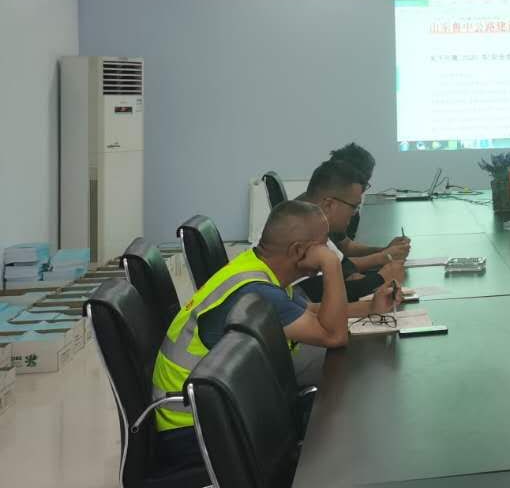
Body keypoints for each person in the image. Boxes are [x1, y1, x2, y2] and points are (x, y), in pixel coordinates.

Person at [151, 200, 398, 466]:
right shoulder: (257, 291)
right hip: (196, 427)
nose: (328, 250)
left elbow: (311, 313)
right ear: (298, 251)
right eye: (323, 245)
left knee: (341, 396)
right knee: (344, 415)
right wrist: (332, 265)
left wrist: (369, 308)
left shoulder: (257, 267)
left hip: (216, 405)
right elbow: (334, 336)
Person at [295, 160, 404, 302]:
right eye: (353, 207)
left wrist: (352, 276)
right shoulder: (297, 230)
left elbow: (345, 266)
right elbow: (318, 293)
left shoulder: (317, 228)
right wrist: (382, 278)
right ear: (329, 204)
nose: (354, 214)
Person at [329, 142, 411, 257]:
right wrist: (385, 256)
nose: (363, 189)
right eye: (363, 182)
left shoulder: (344, 207)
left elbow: (345, 247)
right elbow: (339, 264)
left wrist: (386, 250)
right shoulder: (312, 216)